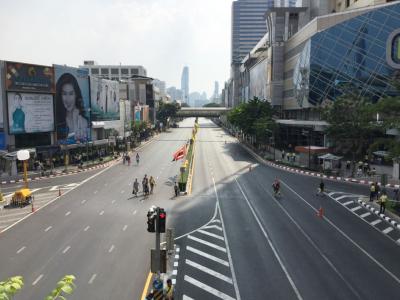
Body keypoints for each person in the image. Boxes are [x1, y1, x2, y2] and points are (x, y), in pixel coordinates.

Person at [56, 73, 89, 143]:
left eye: (71, 94)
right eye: (64, 94)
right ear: (60, 95)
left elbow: (85, 139)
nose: (68, 99)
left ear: (76, 94)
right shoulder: (57, 122)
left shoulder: (84, 121)